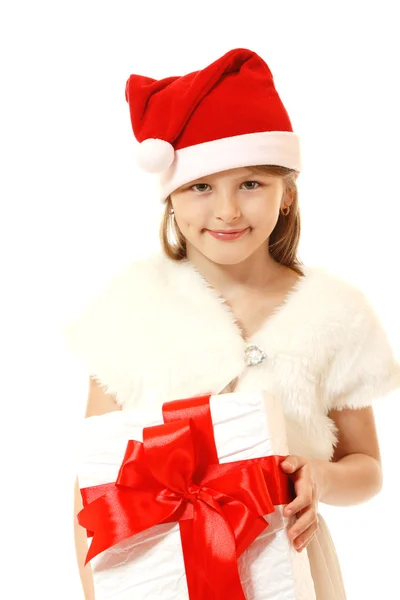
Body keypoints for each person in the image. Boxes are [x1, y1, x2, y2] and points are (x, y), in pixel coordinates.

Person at [66, 47, 400, 599]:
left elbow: (367, 467)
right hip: (157, 572)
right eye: (201, 186)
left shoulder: (333, 313)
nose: (226, 211)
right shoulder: (131, 308)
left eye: (251, 184)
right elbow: (95, 481)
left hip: (294, 572)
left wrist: (322, 477)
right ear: (170, 198)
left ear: (287, 193)